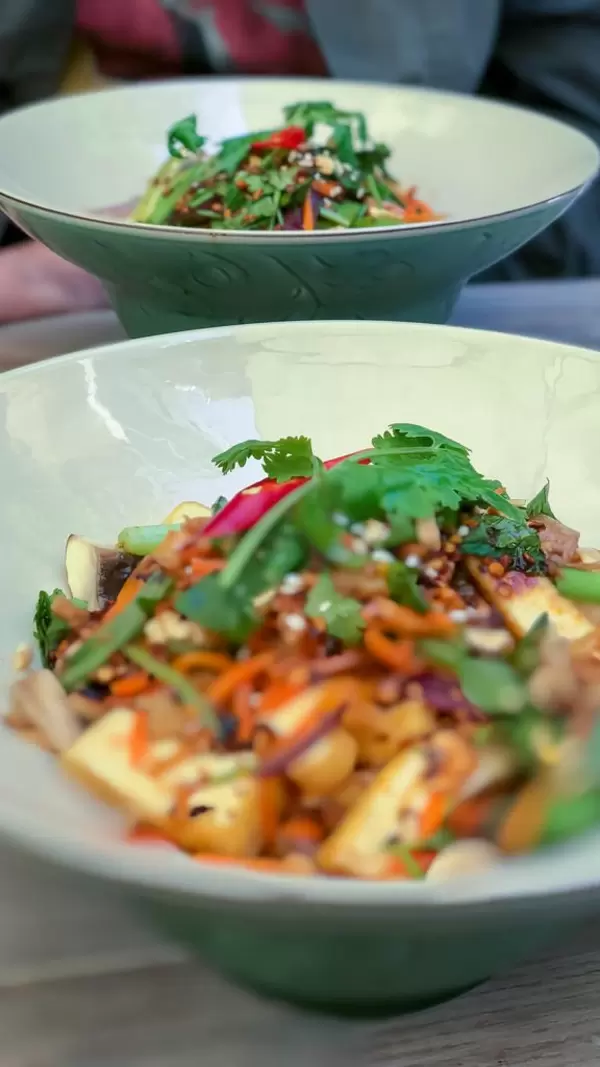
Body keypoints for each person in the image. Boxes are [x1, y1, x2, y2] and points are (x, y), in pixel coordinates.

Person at [1, 0, 599, 324]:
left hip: (427, 303)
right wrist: (79, 256)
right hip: (47, 273)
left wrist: (415, 252)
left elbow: (575, 144)